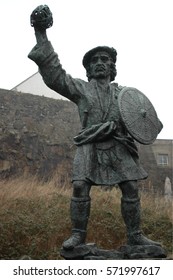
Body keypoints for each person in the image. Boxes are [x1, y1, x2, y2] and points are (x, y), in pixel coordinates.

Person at [28, 5, 162, 250]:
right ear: (88, 69)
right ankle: (78, 235)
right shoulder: (81, 89)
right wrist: (41, 34)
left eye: (105, 60)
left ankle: (135, 236)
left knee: (131, 186)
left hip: (118, 143)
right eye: (95, 60)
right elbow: (54, 75)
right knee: (80, 186)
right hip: (89, 143)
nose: (100, 63)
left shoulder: (124, 95)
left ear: (112, 67)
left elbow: (140, 118)